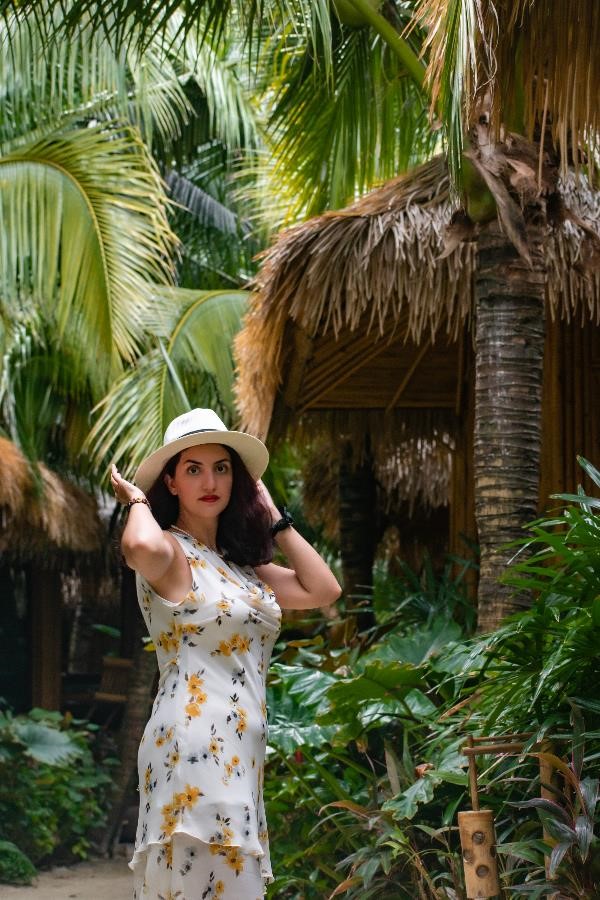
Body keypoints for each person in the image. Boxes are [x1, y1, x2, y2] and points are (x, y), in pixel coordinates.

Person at [110, 408, 341, 900]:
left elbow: (324, 589)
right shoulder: (172, 553)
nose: (209, 480)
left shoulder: (243, 569)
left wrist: (276, 519)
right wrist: (135, 499)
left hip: (239, 752)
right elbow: (138, 547)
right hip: (192, 744)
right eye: (192, 468)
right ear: (170, 482)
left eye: (222, 467)